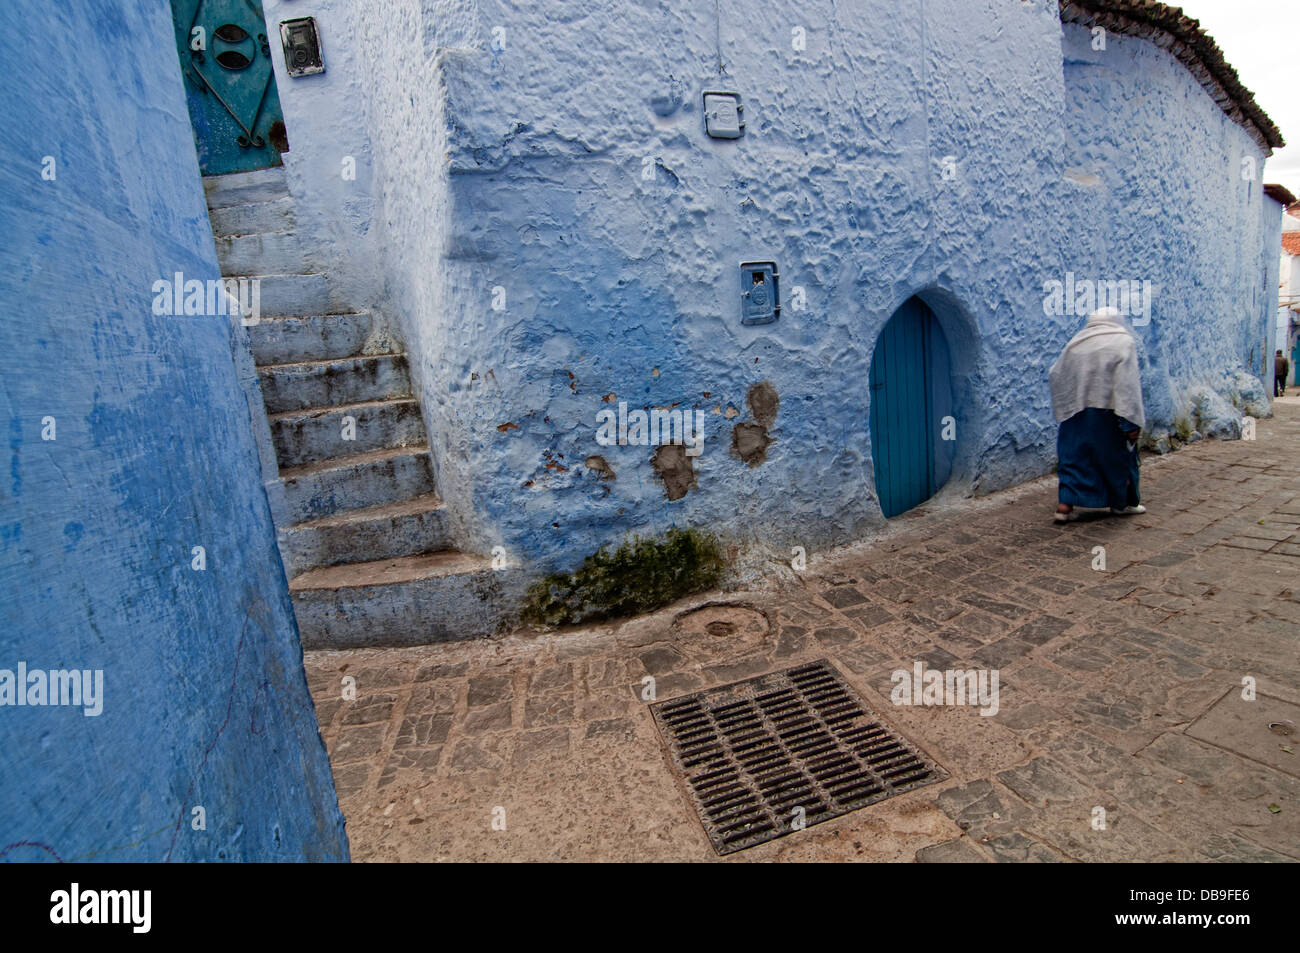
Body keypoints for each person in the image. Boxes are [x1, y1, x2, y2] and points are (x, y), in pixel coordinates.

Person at [1048, 307, 1145, 523]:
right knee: (1114, 460)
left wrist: (1067, 403)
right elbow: (1127, 385)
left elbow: (1056, 373)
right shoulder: (1123, 342)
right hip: (1108, 414)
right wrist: (1130, 422)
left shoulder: (1077, 343)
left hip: (1075, 413)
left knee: (1074, 458)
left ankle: (1064, 507)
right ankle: (1120, 504)